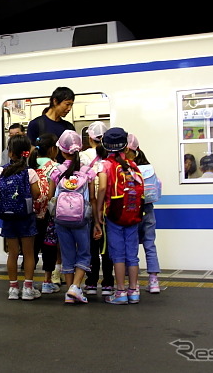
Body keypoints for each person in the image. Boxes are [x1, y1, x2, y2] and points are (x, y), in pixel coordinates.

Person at [50, 130, 100, 304]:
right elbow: (92, 198)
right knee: (84, 253)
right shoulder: (88, 172)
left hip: (61, 219)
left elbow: (51, 196)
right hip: (82, 219)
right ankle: (75, 287)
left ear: (62, 151)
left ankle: (70, 293)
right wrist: (97, 222)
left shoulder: (57, 171)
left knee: (67, 254)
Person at [95, 127, 142, 305]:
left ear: (104, 146)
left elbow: (101, 188)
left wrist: (99, 211)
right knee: (132, 255)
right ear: (126, 147)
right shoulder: (133, 165)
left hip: (113, 214)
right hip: (133, 214)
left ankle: (120, 291)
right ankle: (134, 290)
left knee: (118, 254)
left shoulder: (105, 165)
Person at [0, 135, 42, 300]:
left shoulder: (2, 171)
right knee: (28, 253)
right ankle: (28, 288)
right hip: (26, 217)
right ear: (27, 153)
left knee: (12, 254)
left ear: (11, 153)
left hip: (8, 218)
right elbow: (36, 194)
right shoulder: (30, 172)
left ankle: (13, 289)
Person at [80, 121, 115, 297]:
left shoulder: (83, 156)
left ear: (90, 138)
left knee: (91, 247)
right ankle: (108, 283)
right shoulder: (110, 156)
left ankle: (91, 282)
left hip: (89, 206)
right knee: (107, 247)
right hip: (108, 206)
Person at [127, 134, 162, 294]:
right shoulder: (148, 166)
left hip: (132, 210)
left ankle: (134, 282)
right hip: (148, 209)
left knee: (131, 246)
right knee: (150, 244)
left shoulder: (127, 168)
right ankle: (154, 281)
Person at [28, 133, 60, 294]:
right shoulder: (55, 167)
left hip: (31, 213)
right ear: (53, 149)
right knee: (49, 246)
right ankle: (47, 281)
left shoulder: (29, 164)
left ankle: (29, 282)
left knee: (31, 249)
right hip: (49, 214)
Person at [26, 86, 76, 163]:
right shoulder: (36, 124)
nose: (69, 108)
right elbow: (31, 151)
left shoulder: (69, 127)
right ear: (55, 101)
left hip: (65, 172)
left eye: (71, 105)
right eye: (67, 104)